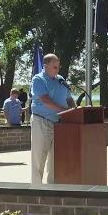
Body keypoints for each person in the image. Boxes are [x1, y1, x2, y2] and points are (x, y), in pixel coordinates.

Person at [30, 54, 75, 184]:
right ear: (45, 66)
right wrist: (66, 111)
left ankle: (52, 189)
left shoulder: (61, 79)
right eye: (55, 66)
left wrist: (74, 110)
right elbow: (46, 101)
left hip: (59, 124)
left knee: (55, 160)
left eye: (58, 65)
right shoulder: (38, 79)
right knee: (39, 159)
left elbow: (69, 99)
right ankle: (36, 190)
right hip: (41, 122)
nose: (58, 68)